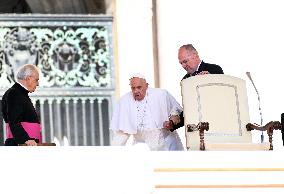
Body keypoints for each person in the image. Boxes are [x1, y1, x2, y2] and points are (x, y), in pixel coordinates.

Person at [110, 73, 184, 151]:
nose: (136, 91)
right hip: (142, 148)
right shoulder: (125, 101)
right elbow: (123, 131)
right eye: (133, 88)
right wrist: (114, 150)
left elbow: (177, 111)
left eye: (139, 87)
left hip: (166, 143)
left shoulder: (161, 94)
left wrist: (172, 121)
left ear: (146, 85)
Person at [165, 44, 224, 131]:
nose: (183, 66)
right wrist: (173, 124)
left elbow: (222, 97)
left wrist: (210, 79)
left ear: (195, 55)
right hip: (196, 130)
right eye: (181, 63)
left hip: (217, 124)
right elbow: (190, 109)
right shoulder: (184, 80)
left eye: (185, 61)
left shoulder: (214, 69)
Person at [2, 64, 41, 146]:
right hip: (19, 144)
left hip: (27, 144)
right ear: (28, 78)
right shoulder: (14, 93)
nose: (37, 84)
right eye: (36, 80)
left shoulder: (20, 93)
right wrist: (25, 139)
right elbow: (14, 120)